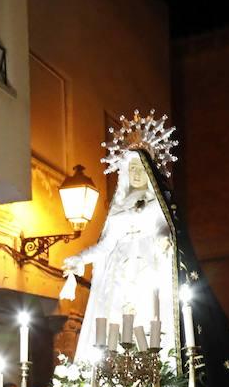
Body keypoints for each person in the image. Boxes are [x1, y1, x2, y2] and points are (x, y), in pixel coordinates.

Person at [62, 150, 176, 368]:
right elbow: (105, 245)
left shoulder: (157, 203)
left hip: (146, 266)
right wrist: (80, 259)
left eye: (140, 168)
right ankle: (111, 370)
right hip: (118, 274)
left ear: (150, 171)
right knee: (114, 319)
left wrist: (164, 240)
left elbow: (163, 227)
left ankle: (150, 370)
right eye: (131, 168)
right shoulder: (119, 206)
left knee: (146, 317)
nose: (135, 173)